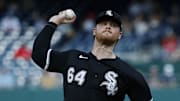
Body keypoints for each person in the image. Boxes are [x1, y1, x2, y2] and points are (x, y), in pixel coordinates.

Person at [32, 9, 153, 101]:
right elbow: (39, 54)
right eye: (103, 23)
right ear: (94, 31)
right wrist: (54, 21)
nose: (108, 26)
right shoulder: (72, 58)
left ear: (120, 34)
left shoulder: (129, 73)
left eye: (113, 25)